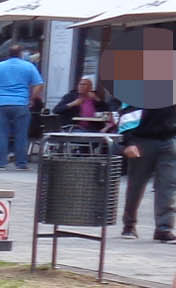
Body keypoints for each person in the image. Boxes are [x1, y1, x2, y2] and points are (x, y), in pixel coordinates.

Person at [120, 104, 176, 240]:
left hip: (169, 141)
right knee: (136, 186)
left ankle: (164, 228)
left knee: (168, 186)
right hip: (142, 141)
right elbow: (127, 113)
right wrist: (128, 142)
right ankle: (129, 225)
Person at [0, 43, 45, 169]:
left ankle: (1, 162)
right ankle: (21, 163)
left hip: (1, 103)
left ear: (8, 54)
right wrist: (31, 98)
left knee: (1, 134)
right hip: (21, 103)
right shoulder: (29, 66)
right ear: (21, 54)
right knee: (21, 135)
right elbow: (39, 84)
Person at [53, 77, 119, 127]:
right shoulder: (71, 97)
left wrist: (98, 100)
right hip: (74, 127)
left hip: (94, 127)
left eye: (84, 85)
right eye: (80, 84)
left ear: (90, 87)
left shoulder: (94, 98)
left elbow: (107, 111)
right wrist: (72, 104)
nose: (81, 86)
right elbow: (56, 110)